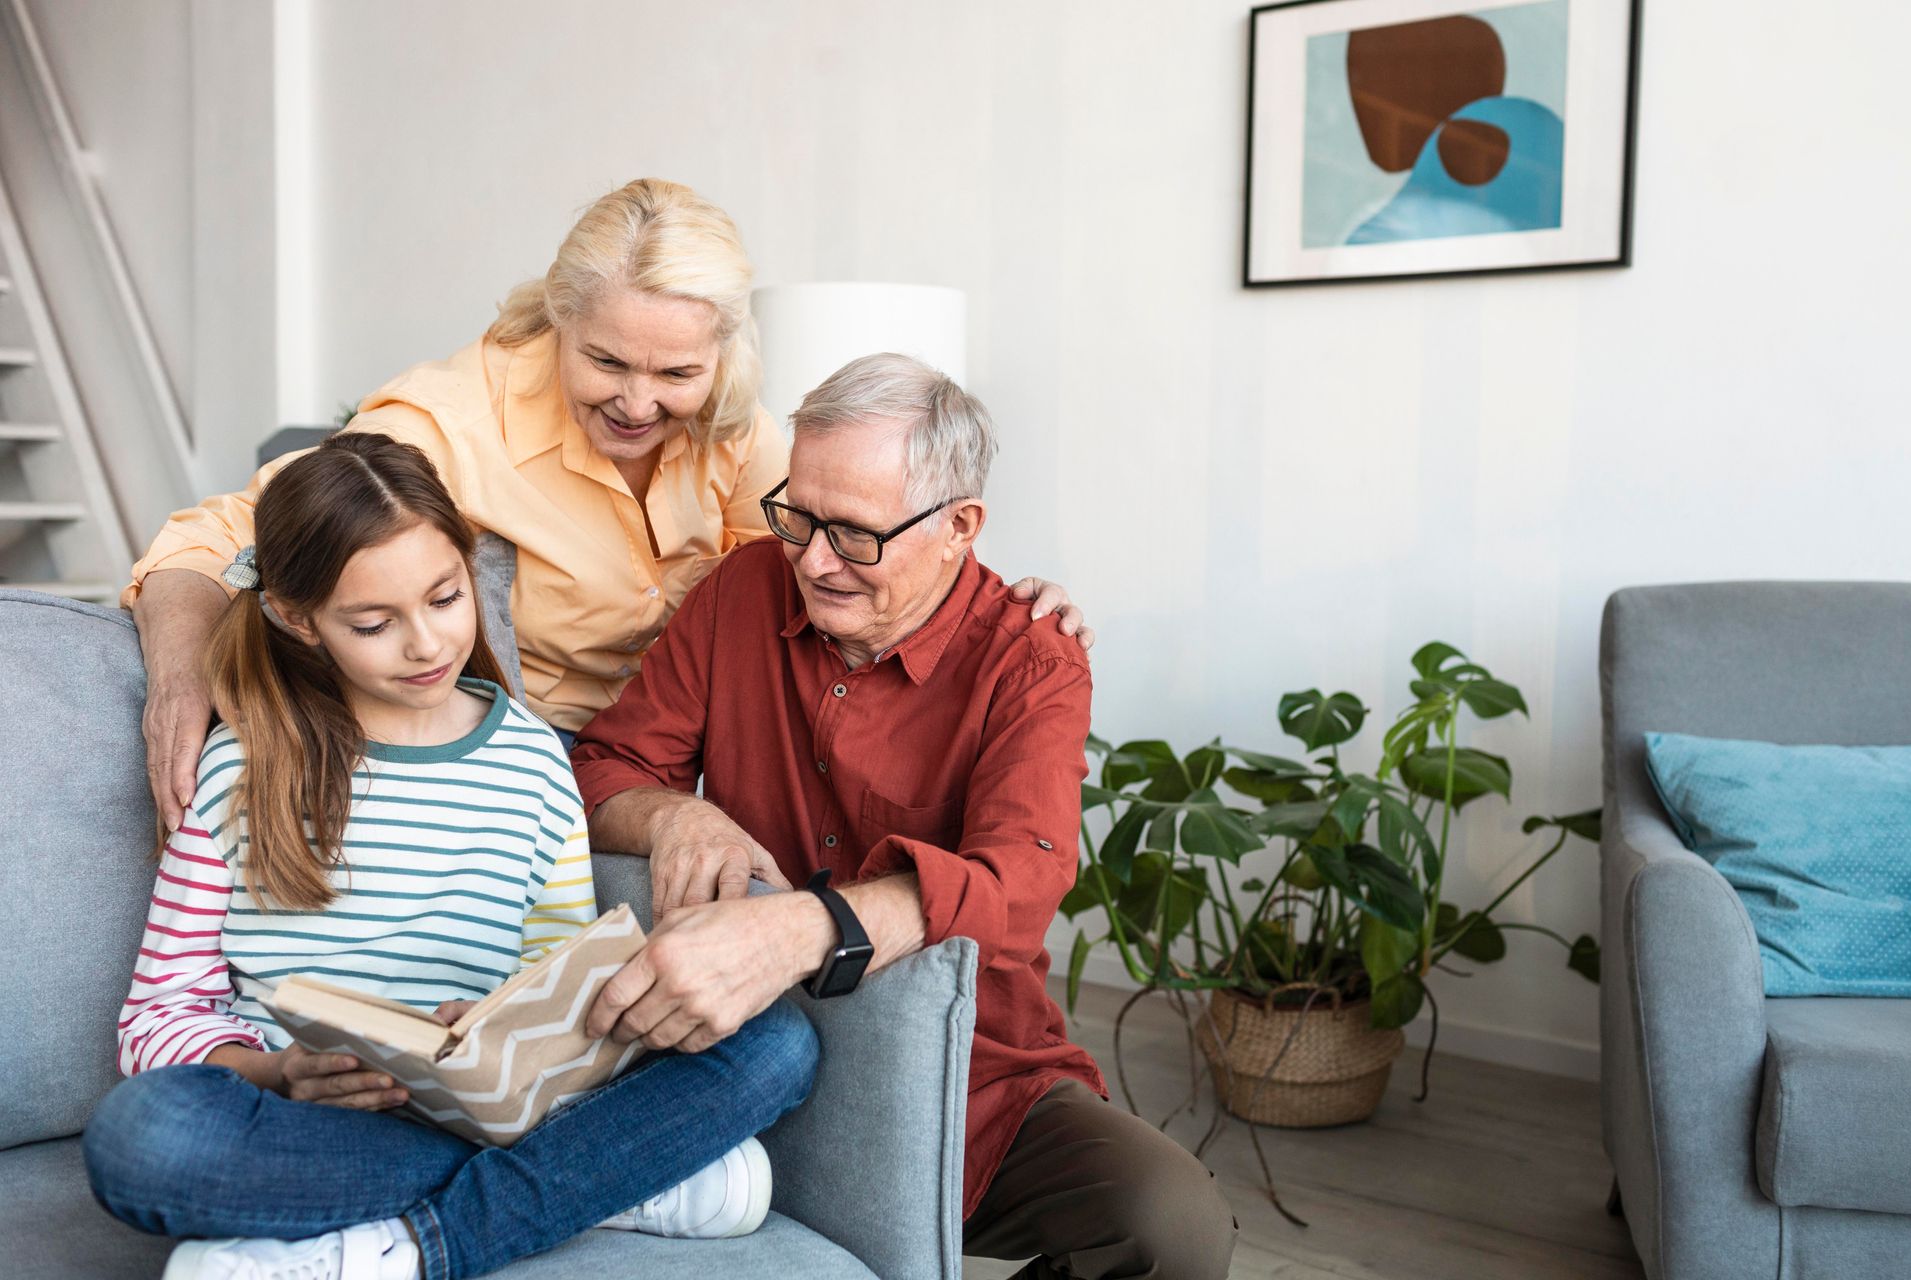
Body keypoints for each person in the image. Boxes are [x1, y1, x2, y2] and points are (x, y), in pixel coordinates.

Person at [125, 177, 1092, 836]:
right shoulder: (454, 419)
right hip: (527, 776)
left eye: (676, 369)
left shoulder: (739, 427)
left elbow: (851, 550)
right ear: (560, 320)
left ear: (721, 354)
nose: (638, 403)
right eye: (605, 362)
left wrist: (981, 597)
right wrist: (178, 674)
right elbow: (215, 539)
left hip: (689, 763)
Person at [83, 434, 818, 1280]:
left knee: (777, 1042)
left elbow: (557, 971)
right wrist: (280, 1072)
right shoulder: (240, 766)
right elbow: (158, 1013)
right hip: (318, 1122)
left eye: (444, 598)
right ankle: (606, 1180)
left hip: (498, 1104)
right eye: (373, 623)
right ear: (297, 619)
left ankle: (411, 1246)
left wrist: (507, 1023)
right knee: (141, 1137)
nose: (427, 644)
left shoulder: (537, 764)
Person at [568, 355, 1237, 1278]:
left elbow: (1019, 881)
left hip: (966, 1066)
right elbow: (606, 761)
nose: (811, 559)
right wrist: (676, 819)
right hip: (741, 1039)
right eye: (797, 515)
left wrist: (809, 929)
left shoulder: (1032, 660)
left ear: (960, 526)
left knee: (1170, 1226)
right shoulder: (742, 592)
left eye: (853, 534)